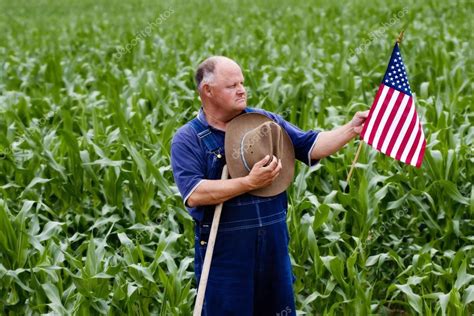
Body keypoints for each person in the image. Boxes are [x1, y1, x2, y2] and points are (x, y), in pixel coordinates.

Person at [171, 56, 368, 316]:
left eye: (242, 82)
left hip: (273, 250)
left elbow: (310, 145)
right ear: (207, 91)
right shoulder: (188, 139)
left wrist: (351, 129)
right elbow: (195, 193)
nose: (242, 89)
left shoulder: (264, 122)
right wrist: (248, 183)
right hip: (225, 259)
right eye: (232, 85)